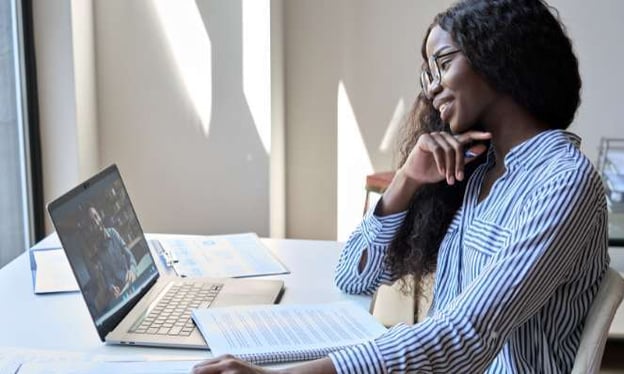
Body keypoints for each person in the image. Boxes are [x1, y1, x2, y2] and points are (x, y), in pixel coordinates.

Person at [192, 0, 608, 372]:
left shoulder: (563, 181)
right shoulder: (478, 170)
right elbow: (354, 277)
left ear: (500, 56)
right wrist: (407, 180)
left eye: (444, 63)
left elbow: (468, 334)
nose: (431, 88)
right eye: (428, 73)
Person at [84, 206, 138, 313]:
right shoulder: (99, 251)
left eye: (96, 217)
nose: (95, 222)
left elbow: (129, 255)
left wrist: (132, 270)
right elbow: (107, 276)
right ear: (90, 227)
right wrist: (111, 287)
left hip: (132, 280)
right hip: (122, 291)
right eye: (91, 221)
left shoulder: (113, 233)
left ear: (100, 217)